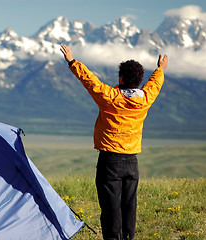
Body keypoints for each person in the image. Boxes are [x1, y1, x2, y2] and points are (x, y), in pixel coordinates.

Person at [60, 43, 168, 240]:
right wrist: (160, 69)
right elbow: (154, 86)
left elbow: (90, 81)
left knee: (111, 210)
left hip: (110, 162)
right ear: (139, 80)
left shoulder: (110, 97)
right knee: (129, 207)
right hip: (132, 162)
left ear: (121, 78)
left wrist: (72, 62)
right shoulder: (144, 100)